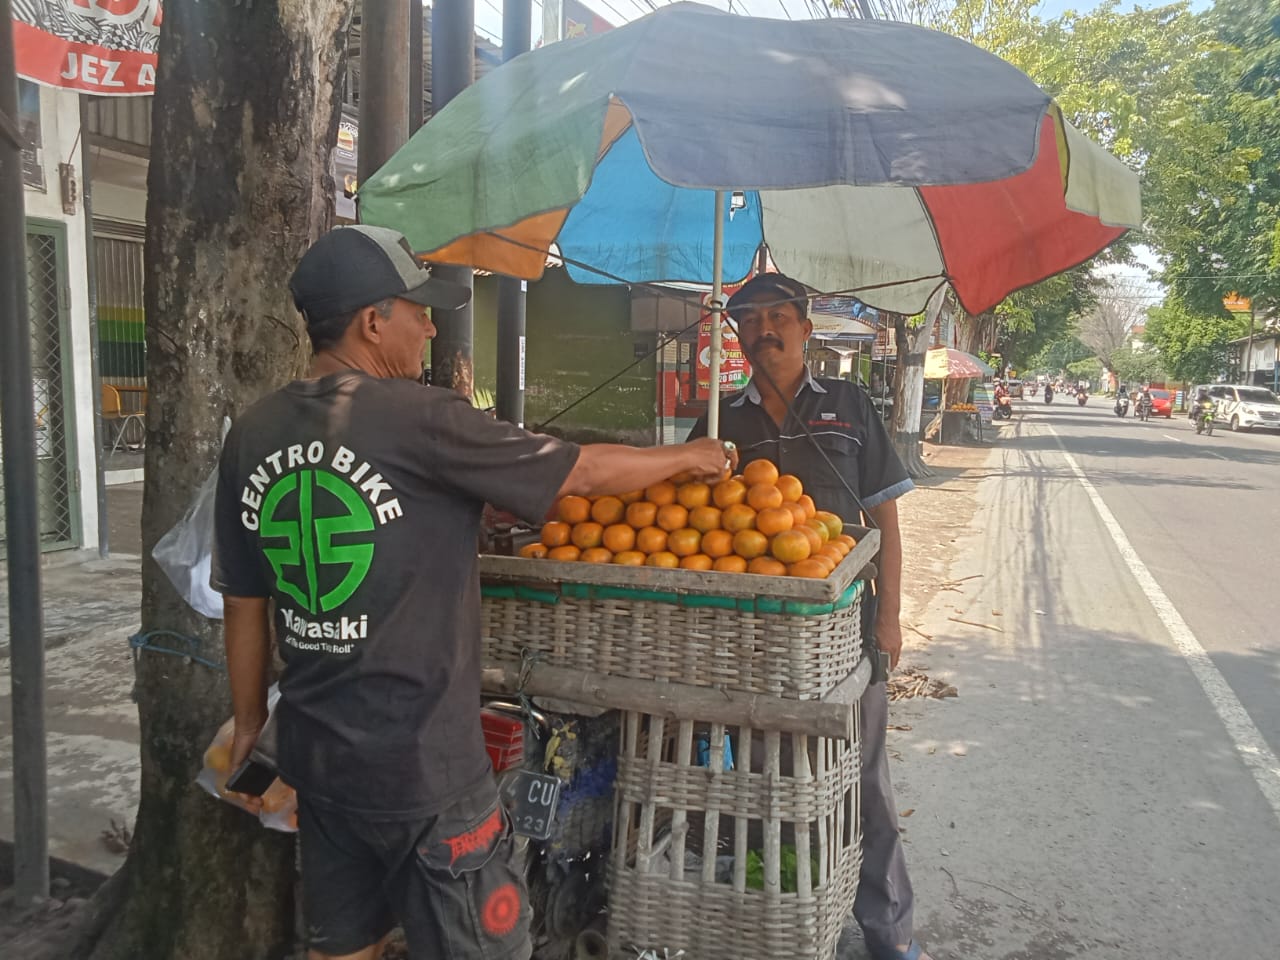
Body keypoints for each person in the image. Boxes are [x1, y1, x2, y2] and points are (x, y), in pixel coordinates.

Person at [211, 225, 734, 960]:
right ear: (371, 321)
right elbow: (575, 473)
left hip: (316, 760)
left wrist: (244, 730)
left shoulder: (254, 433)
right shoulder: (422, 418)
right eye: (417, 310)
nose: (431, 326)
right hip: (426, 770)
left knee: (342, 949)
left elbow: (243, 599)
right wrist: (689, 453)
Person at [688, 274, 929, 960]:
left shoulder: (850, 403)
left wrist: (891, 617)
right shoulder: (717, 419)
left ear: (805, 327)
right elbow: (681, 519)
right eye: (749, 320)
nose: (764, 329)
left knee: (867, 784)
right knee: (769, 778)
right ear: (737, 337)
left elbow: (885, 514)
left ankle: (889, 933)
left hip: (849, 628)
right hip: (753, 634)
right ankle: (785, 921)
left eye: (776, 316)